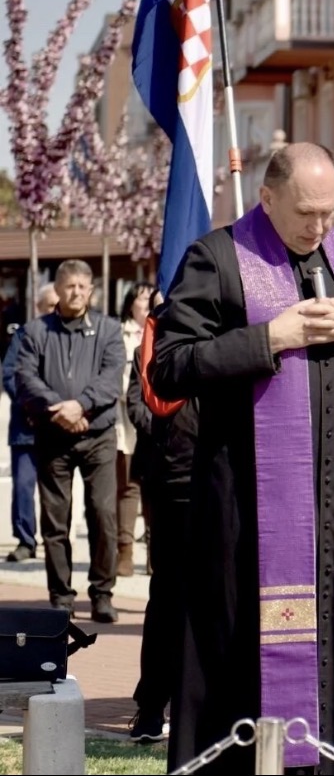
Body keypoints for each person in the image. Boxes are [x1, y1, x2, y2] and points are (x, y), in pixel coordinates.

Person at [151, 143, 334, 773]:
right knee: (240, 651)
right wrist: (270, 338)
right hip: (247, 509)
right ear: (266, 198)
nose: (319, 227)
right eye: (306, 212)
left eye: (329, 212)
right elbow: (170, 367)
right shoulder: (217, 257)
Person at [14, 260, 126, 623]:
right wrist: (60, 408)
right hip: (52, 437)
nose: (76, 292)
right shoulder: (35, 331)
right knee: (55, 522)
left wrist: (81, 405)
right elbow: (25, 377)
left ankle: (102, 594)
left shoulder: (109, 330)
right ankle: (60, 596)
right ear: (58, 290)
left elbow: (112, 378)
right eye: (69, 286)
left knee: (103, 515)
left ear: (91, 290)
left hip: (98, 437)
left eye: (82, 286)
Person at [124, 313, 199, 743]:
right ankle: (152, 705)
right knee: (168, 599)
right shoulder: (152, 345)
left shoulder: (232, 338)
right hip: (172, 481)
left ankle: (201, 706)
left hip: (225, 482)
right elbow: (143, 402)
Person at [2, 282, 58, 563]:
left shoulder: (68, 336)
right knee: (24, 485)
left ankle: (55, 539)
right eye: (50, 305)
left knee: (56, 488)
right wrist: (34, 406)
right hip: (26, 424)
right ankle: (26, 539)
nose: (54, 310)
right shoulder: (23, 335)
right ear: (38, 307)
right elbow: (9, 374)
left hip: (58, 424)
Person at [116, 282, 155, 578]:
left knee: (155, 490)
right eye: (142, 299)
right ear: (131, 303)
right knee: (129, 486)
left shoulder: (165, 333)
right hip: (125, 421)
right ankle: (125, 550)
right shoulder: (119, 334)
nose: (146, 304)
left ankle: (155, 551)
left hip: (156, 423)